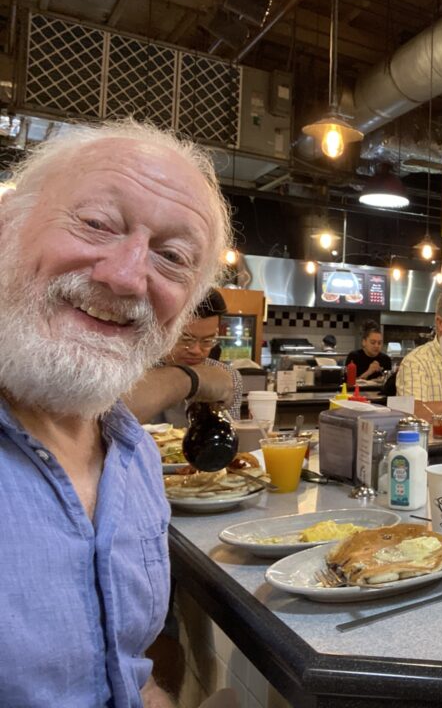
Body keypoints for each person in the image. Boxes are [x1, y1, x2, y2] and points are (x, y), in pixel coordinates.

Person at [0, 120, 237, 707]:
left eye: (174, 257)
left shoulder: (131, 456)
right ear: (6, 227)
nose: (128, 276)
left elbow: (124, 681)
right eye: (97, 223)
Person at [126, 288, 243, 425]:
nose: (196, 350)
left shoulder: (227, 377)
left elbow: (232, 430)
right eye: (186, 339)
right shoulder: (135, 374)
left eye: (207, 341)